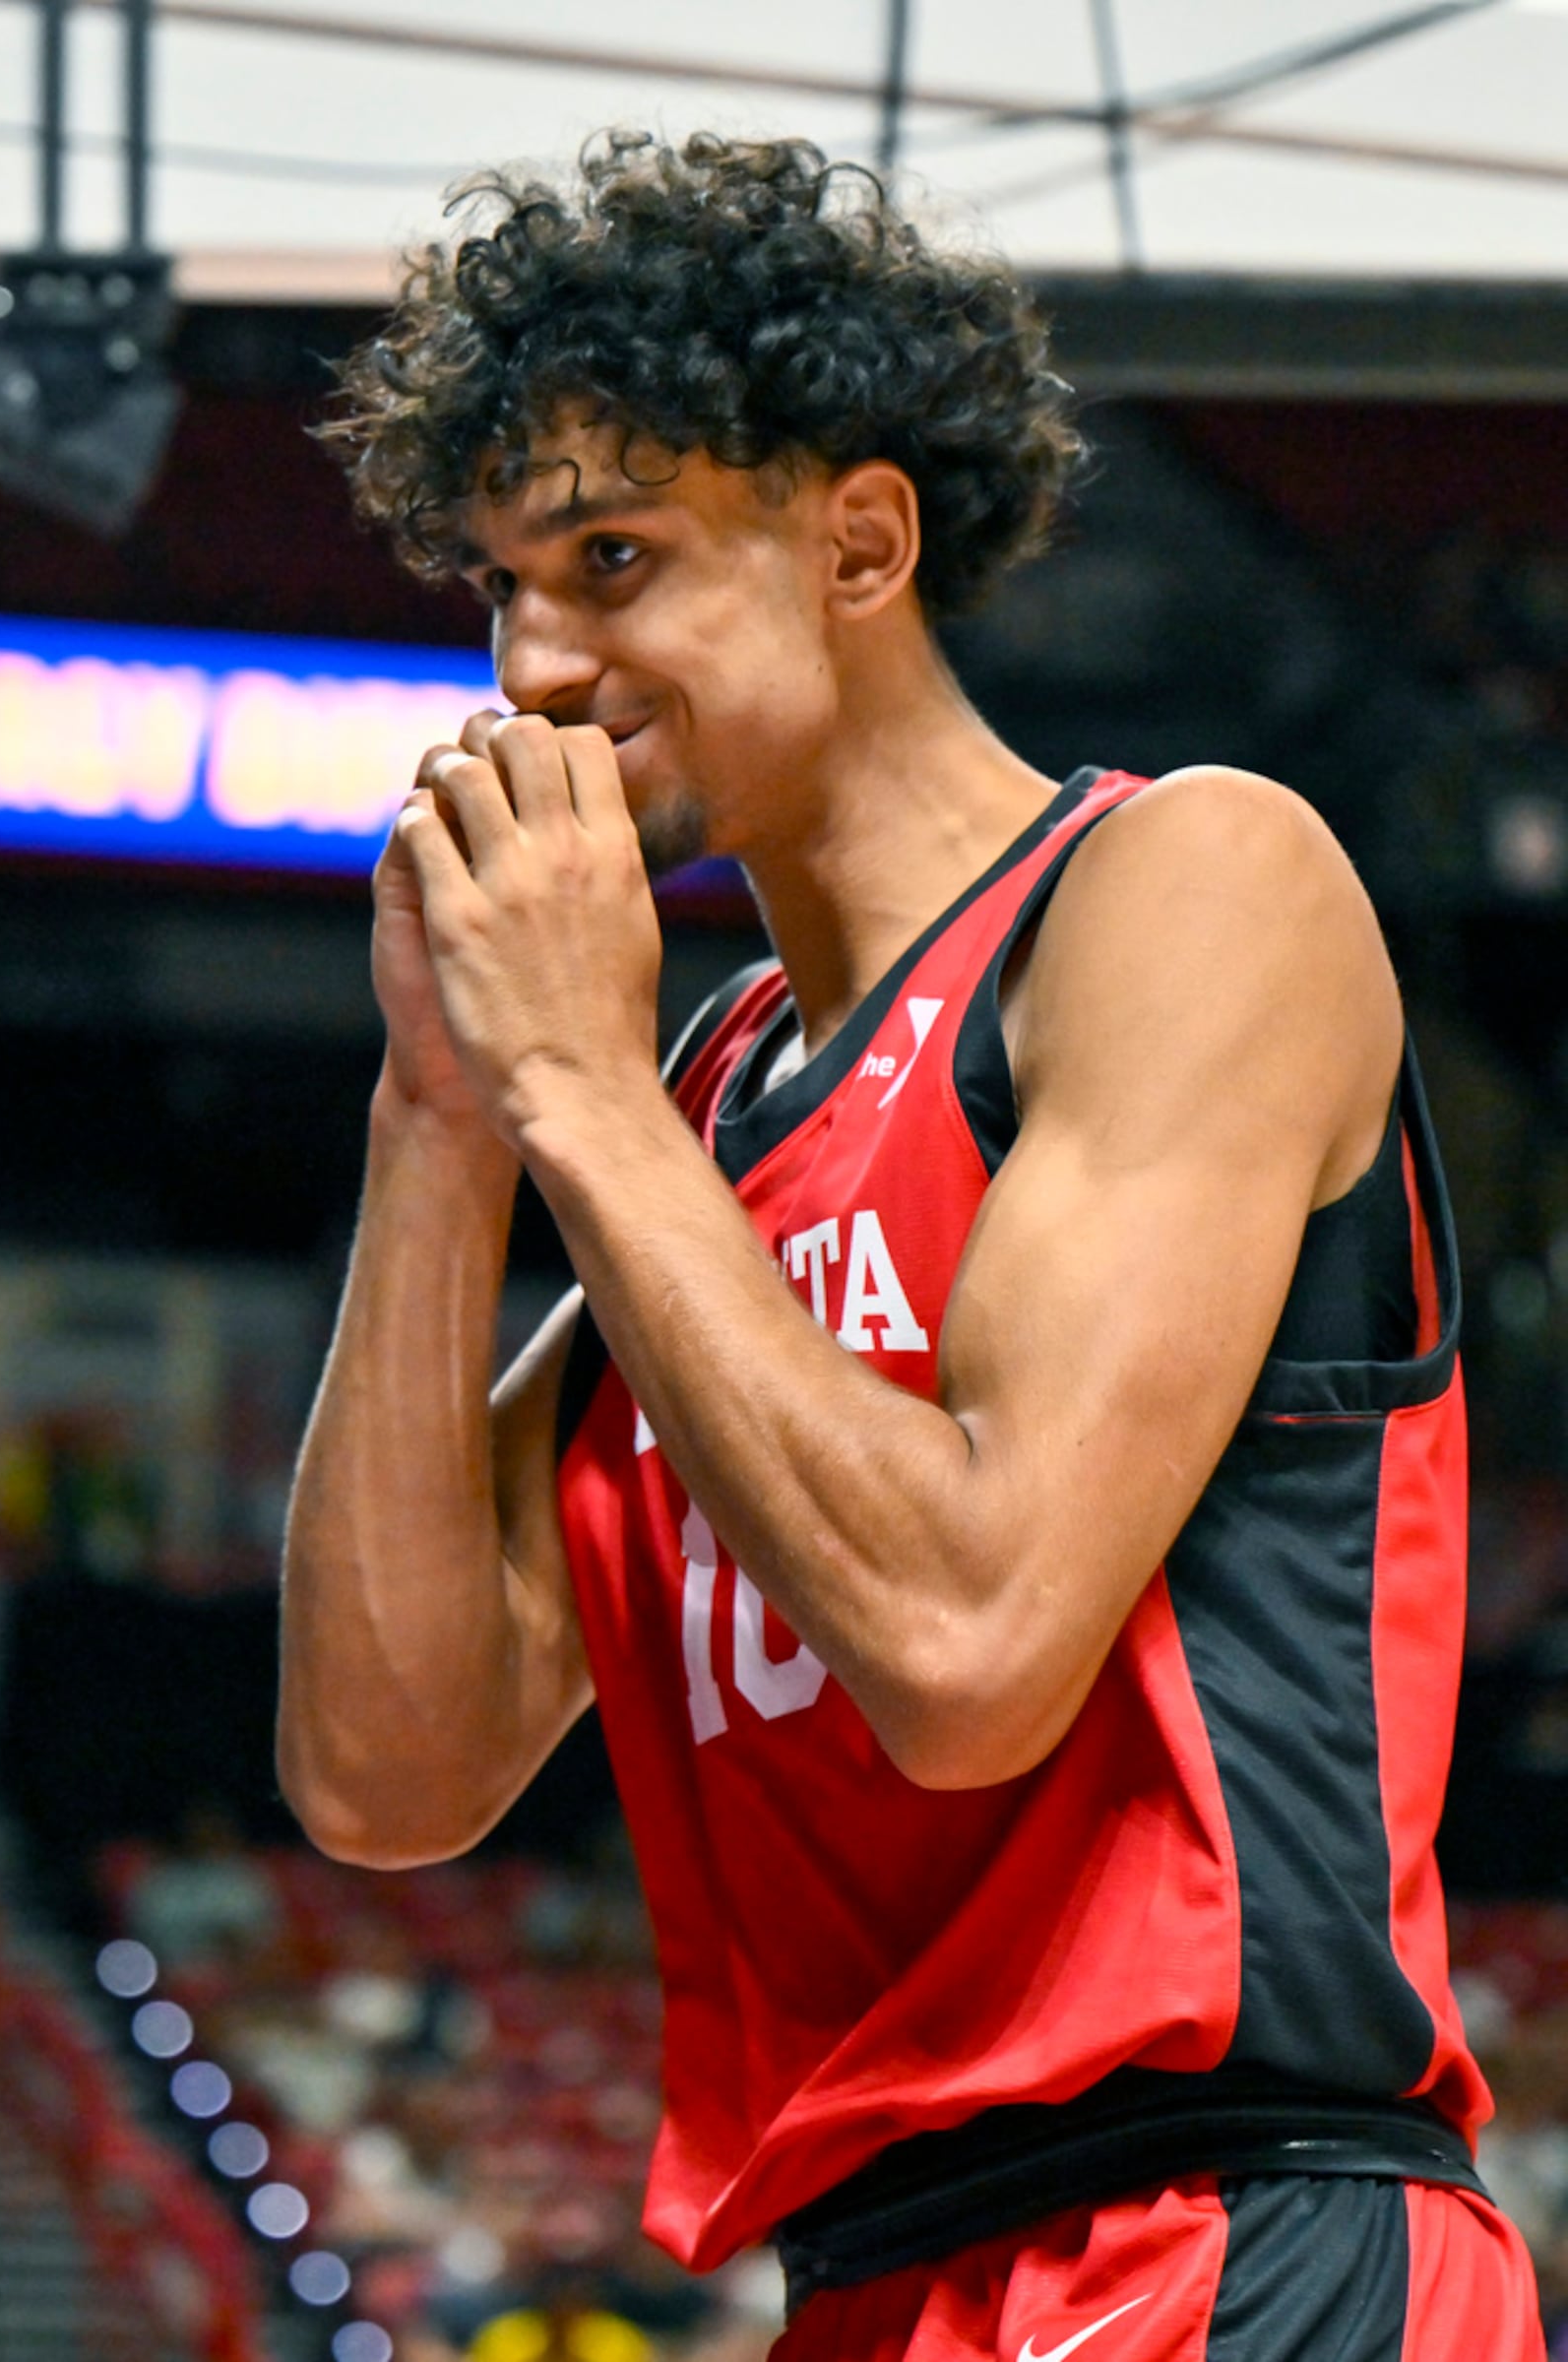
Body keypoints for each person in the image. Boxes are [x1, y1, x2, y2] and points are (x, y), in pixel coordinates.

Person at [279, 131, 1545, 2360]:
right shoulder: (693, 1120)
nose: (536, 663)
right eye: (499, 583)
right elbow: (387, 1773)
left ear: (858, 540)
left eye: (613, 556)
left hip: (1226, 2230)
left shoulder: (1183, 894)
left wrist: (574, 1091)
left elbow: (966, 1655)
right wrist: (439, 1113)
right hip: (876, 2281)